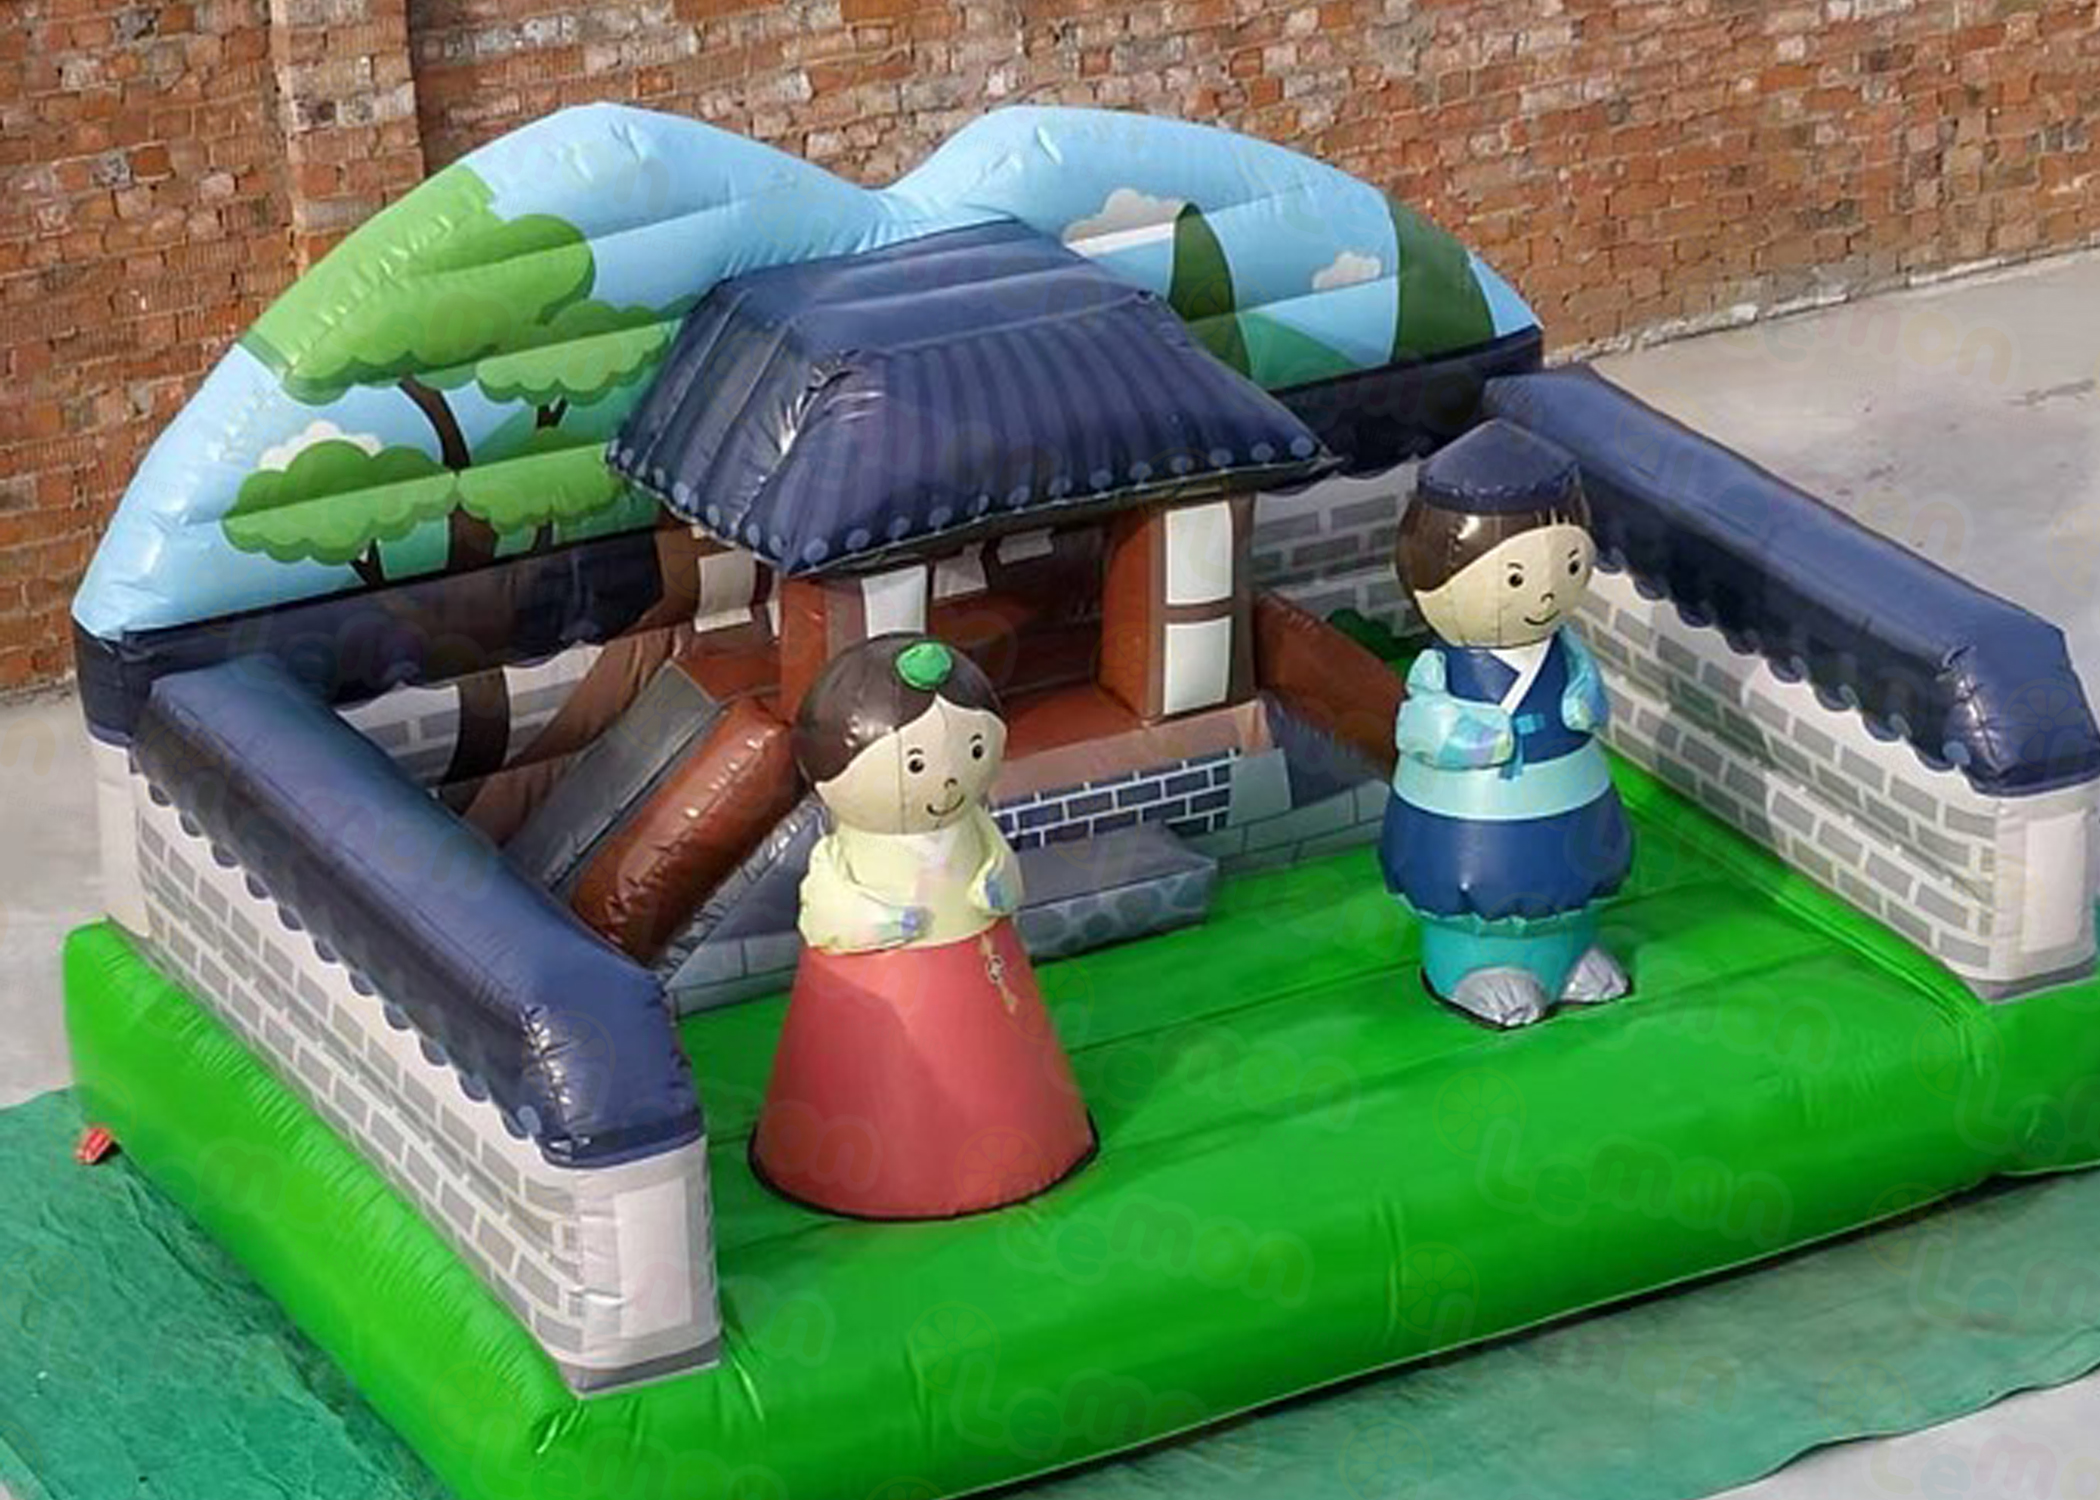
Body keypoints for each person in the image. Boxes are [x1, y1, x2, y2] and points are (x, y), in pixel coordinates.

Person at [752, 633, 1095, 1218]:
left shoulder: (974, 825)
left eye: (972, 752)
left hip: (978, 964)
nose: (948, 783)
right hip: (872, 1001)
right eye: (915, 765)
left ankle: (1016, 1148)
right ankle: (882, 1170)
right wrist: (872, 921)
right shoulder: (843, 852)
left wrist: (997, 882)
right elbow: (825, 904)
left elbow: (996, 857)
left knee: (992, 1056)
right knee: (882, 1083)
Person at [1382, 419, 1633, 1028]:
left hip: (1571, 808)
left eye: (1568, 566)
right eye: (1516, 579)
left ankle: (1569, 958)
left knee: (1574, 865)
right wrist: (1472, 737)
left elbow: (1586, 698)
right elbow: (1422, 727)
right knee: (1482, 874)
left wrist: (1582, 702)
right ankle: (1468, 970)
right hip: (1471, 826)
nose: (1545, 596)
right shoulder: (1444, 672)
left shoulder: (1565, 656)